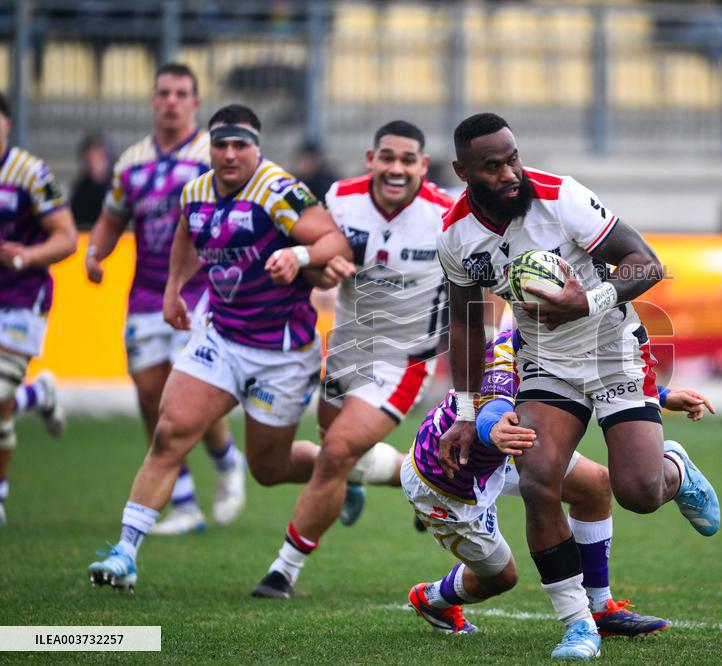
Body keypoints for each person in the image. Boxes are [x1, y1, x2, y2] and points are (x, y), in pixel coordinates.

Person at [435, 113, 721, 660]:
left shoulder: (560, 196)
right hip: (546, 363)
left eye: (512, 158)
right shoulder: (456, 236)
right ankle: (578, 622)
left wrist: (583, 302)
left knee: (637, 492)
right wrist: (469, 412)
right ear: (463, 171)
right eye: (492, 166)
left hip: (613, 350)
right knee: (539, 477)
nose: (509, 173)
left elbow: (647, 263)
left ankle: (675, 469)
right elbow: (468, 323)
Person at [87, 103, 354, 592]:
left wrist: (298, 256)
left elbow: (335, 242)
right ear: (209, 147)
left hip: (283, 352)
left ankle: (335, 471)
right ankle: (125, 551)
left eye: (241, 145)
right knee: (171, 432)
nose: (230, 154)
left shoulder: (279, 192)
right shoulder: (195, 189)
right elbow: (187, 236)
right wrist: (173, 288)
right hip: (221, 337)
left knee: (269, 469)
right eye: (221, 145)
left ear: (258, 147)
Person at [251, 120, 454, 598]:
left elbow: (480, 283)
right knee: (330, 454)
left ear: (423, 166)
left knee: (337, 454)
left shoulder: (446, 214)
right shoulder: (340, 198)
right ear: (371, 159)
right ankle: (420, 478)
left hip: (404, 359)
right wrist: (324, 269)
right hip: (346, 350)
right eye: (388, 157)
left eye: (408, 160)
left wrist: (485, 356)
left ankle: (284, 570)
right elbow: (319, 275)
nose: (396, 168)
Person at [406, 327, 715, 639]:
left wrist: (662, 396)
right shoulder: (504, 348)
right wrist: (492, 429)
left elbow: (598, 374)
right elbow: (493, 408)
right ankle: (433, 599)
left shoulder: (562, 337)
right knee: (501, 577)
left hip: (506, 452)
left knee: (594, 485)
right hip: (448, 477)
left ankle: (600, 608)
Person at [85, 63, 245, 535]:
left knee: (191, 393)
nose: (172, 101)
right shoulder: (130, 162)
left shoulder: (214, 154)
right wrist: (96, 253)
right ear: (153, 100)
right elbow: (112, 217)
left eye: (181, 93)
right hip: (144, 296)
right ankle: (185, 503)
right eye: (164, 93)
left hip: (203, 294)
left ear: (195, 102)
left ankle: (225, 458)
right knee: (151, 397)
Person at [0, 92, 78, 526]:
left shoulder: (31, 173)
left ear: (8, 123)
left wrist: (27, 256)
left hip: (20, 296)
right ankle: (40, 394)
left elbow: (66, 236)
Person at [69, 134, 112, 232]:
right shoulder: (80, 189)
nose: (95, 163)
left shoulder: (118, 185)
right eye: (91, 159)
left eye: (99, 157)